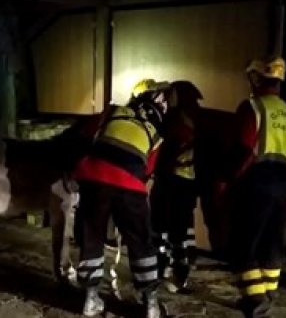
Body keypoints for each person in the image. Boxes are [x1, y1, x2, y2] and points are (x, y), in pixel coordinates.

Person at [73, 81, 169, 318]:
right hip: (129, 186)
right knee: (141, 242)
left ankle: (90, 299)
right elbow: (147, 171)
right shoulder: (156, 134)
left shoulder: (113, 112)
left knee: (91, 236)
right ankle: (151, 304)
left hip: (93, 179)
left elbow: (86, 136)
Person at [222, 56, 286, 317]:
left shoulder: (252, 108)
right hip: (282, 183)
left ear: (257, 79)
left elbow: (245, 149)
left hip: (256, 183)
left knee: (243, 243)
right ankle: (267, 293)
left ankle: (255, 298)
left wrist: (228, 180)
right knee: (272, 241)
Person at [149, 80, 203, 293]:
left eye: (170, 94)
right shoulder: (196, 118)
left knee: (162, 228)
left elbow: (165, 150)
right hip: (187, 182)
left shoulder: (175, 119)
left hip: (170, 182)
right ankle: (180, 272)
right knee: (181, 230)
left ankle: (164, 270)